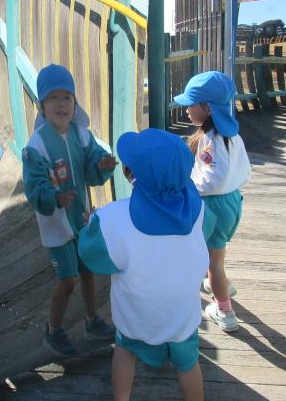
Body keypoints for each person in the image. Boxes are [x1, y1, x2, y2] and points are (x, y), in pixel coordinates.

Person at [79, 128, 209, 401]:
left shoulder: (114, 217)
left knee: (125, 350)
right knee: (188, 363)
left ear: (131, 174)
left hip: (137, 316)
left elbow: (93, 256)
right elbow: (205, 235)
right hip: (182, 315)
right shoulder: (198, 209)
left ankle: (122, 398)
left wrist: (91, 225)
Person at [22, 64, 117, 357]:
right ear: (41, 106)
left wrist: (102, 164)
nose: (60, 104)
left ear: (75, 103)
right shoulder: (37, 145)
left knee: (87, 272)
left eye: (66, 97)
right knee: (67, 279)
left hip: (82, 218)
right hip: (57, 224)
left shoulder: (81, 134)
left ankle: (92, 321)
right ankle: (53, 330)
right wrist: (54, 197)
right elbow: (34, 184)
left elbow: (92, 163)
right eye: (52, 98)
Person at [173, 71, 251, 332]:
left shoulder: (210, 140)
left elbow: (213, 180)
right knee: (215, 254)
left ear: (207, 108)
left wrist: (189, 188)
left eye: (190, 104)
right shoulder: (232, 135)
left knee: (213, 262)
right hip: (232, 201)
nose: (186, 109)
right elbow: (244, 172)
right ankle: (220, 283)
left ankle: (224, 310)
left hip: (213, 206)